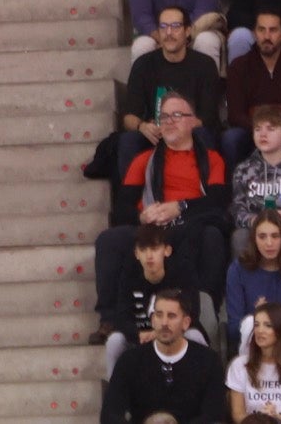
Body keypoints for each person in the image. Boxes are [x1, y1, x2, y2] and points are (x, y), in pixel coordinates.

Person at [93, 91, 229, 341]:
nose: (168, 121)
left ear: (193, 121)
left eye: (177, 115)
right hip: (153, 230)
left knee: (212, 235)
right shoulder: (144, 160)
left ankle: (204, 316)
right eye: (163, 116)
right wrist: (142, 216)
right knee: (109, 240)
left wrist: (180, 206)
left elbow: (217, 202)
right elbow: (123, 207)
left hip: (189, 225)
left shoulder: (211, 160)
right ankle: (109, 319)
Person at [119, 6, 221, 175]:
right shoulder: (143, 65)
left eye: (175, 26)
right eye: (163, 27)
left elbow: (209, 118)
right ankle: (129, 199)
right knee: (129, 140)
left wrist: (177, 126)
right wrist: (142, 126)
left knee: (204, 135)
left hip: (191, 132)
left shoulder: (204, 65)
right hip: (155, 134)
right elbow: (129, 117)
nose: (168, 33)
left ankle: (204, 198)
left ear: (188, 31)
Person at [100, 290, 227, 424]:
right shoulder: (130, 361)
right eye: (159, 315)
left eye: (171, 316)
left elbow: (214, 415)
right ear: (153, 320)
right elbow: (110, 415)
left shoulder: (208, 361)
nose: (164, 323)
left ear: (186, 322)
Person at [99, 224, 203, 374]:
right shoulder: (128, 276)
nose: (149, 256)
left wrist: (159, 332)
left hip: (176, 334)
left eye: (154, 249)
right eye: (143, 249)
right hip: (139, 337)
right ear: (136, 253)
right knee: (115, 341)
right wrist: (137, 334)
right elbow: (121, 317)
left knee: (195, 336)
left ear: (167, 251)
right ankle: (114, 392)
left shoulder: (183, 272)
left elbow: (192, 314)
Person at [229, 106, 281, 253]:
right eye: (258, 129)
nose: (263, 134)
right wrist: (252, 220)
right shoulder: (243, 169)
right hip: (256, 230)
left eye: (271, 129)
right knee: (240, 237)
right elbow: (237, 208)